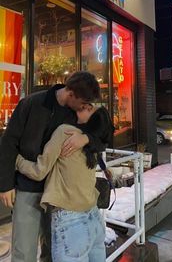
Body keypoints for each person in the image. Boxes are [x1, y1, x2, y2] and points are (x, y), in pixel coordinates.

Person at [0, 71, 103, 262]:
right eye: (83, 103)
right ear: (71, 94)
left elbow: (104, 135)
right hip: (27, 187)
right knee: (23, 249)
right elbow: (8, 142)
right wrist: (5, 185)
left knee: (53, 249)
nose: (85, 107)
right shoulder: (32, 103)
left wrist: (87, 137)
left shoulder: (79, 115)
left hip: (59, 196)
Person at [16, 105, 114, 262]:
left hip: (70, 222)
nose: (86, 106)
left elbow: (39, 171)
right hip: (94, 219)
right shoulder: (92, 142)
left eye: (89, 109)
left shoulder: (66, 132)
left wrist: (16, 159)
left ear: (93, 121)